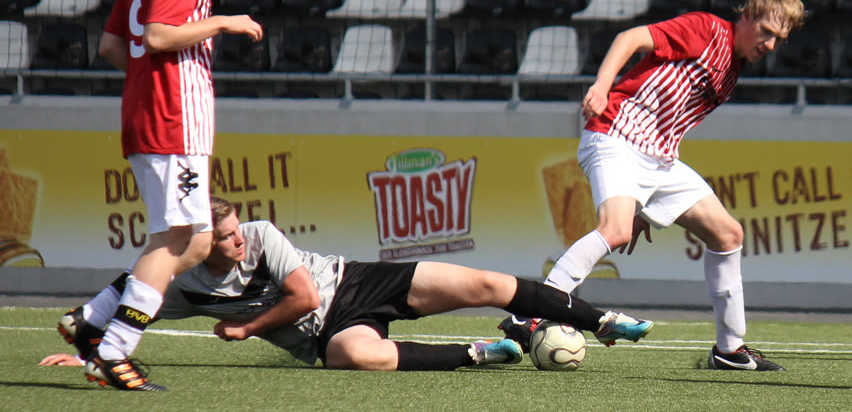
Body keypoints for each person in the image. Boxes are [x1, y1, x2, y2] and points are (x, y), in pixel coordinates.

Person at [502, 0, 807, 372]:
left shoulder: (733, 68)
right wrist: (602, 86)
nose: (771, 44)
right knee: (615, 230)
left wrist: (645, 205)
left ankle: (729, 351)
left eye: (780, 39)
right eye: (766, 31)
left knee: (728, 234)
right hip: (615, 135)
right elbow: (629, 38)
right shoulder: (707, 30)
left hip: (659, 159)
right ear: (747, 17)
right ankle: (529, 312)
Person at [57, 0, 264, 392]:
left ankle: (92, 320)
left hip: (151, 114)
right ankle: (111, 351)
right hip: (174, 121)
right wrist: (224, 22)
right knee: (182, 241)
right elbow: (156, 36)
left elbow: (111, 46)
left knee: (189, 241)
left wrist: (148, 83)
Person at [47, 198, 652, 373]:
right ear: (202, 244)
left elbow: (305, 297)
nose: (236, 242)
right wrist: (94, 352)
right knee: (356, 357)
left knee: (487, 283)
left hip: (356, 282)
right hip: (328, 336)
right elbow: (134, 306)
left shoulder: (261, 234)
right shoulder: (183, 286)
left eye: (234, 231)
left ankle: (600, 321)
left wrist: (247, 327)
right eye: (224, 238)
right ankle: (481, 353)